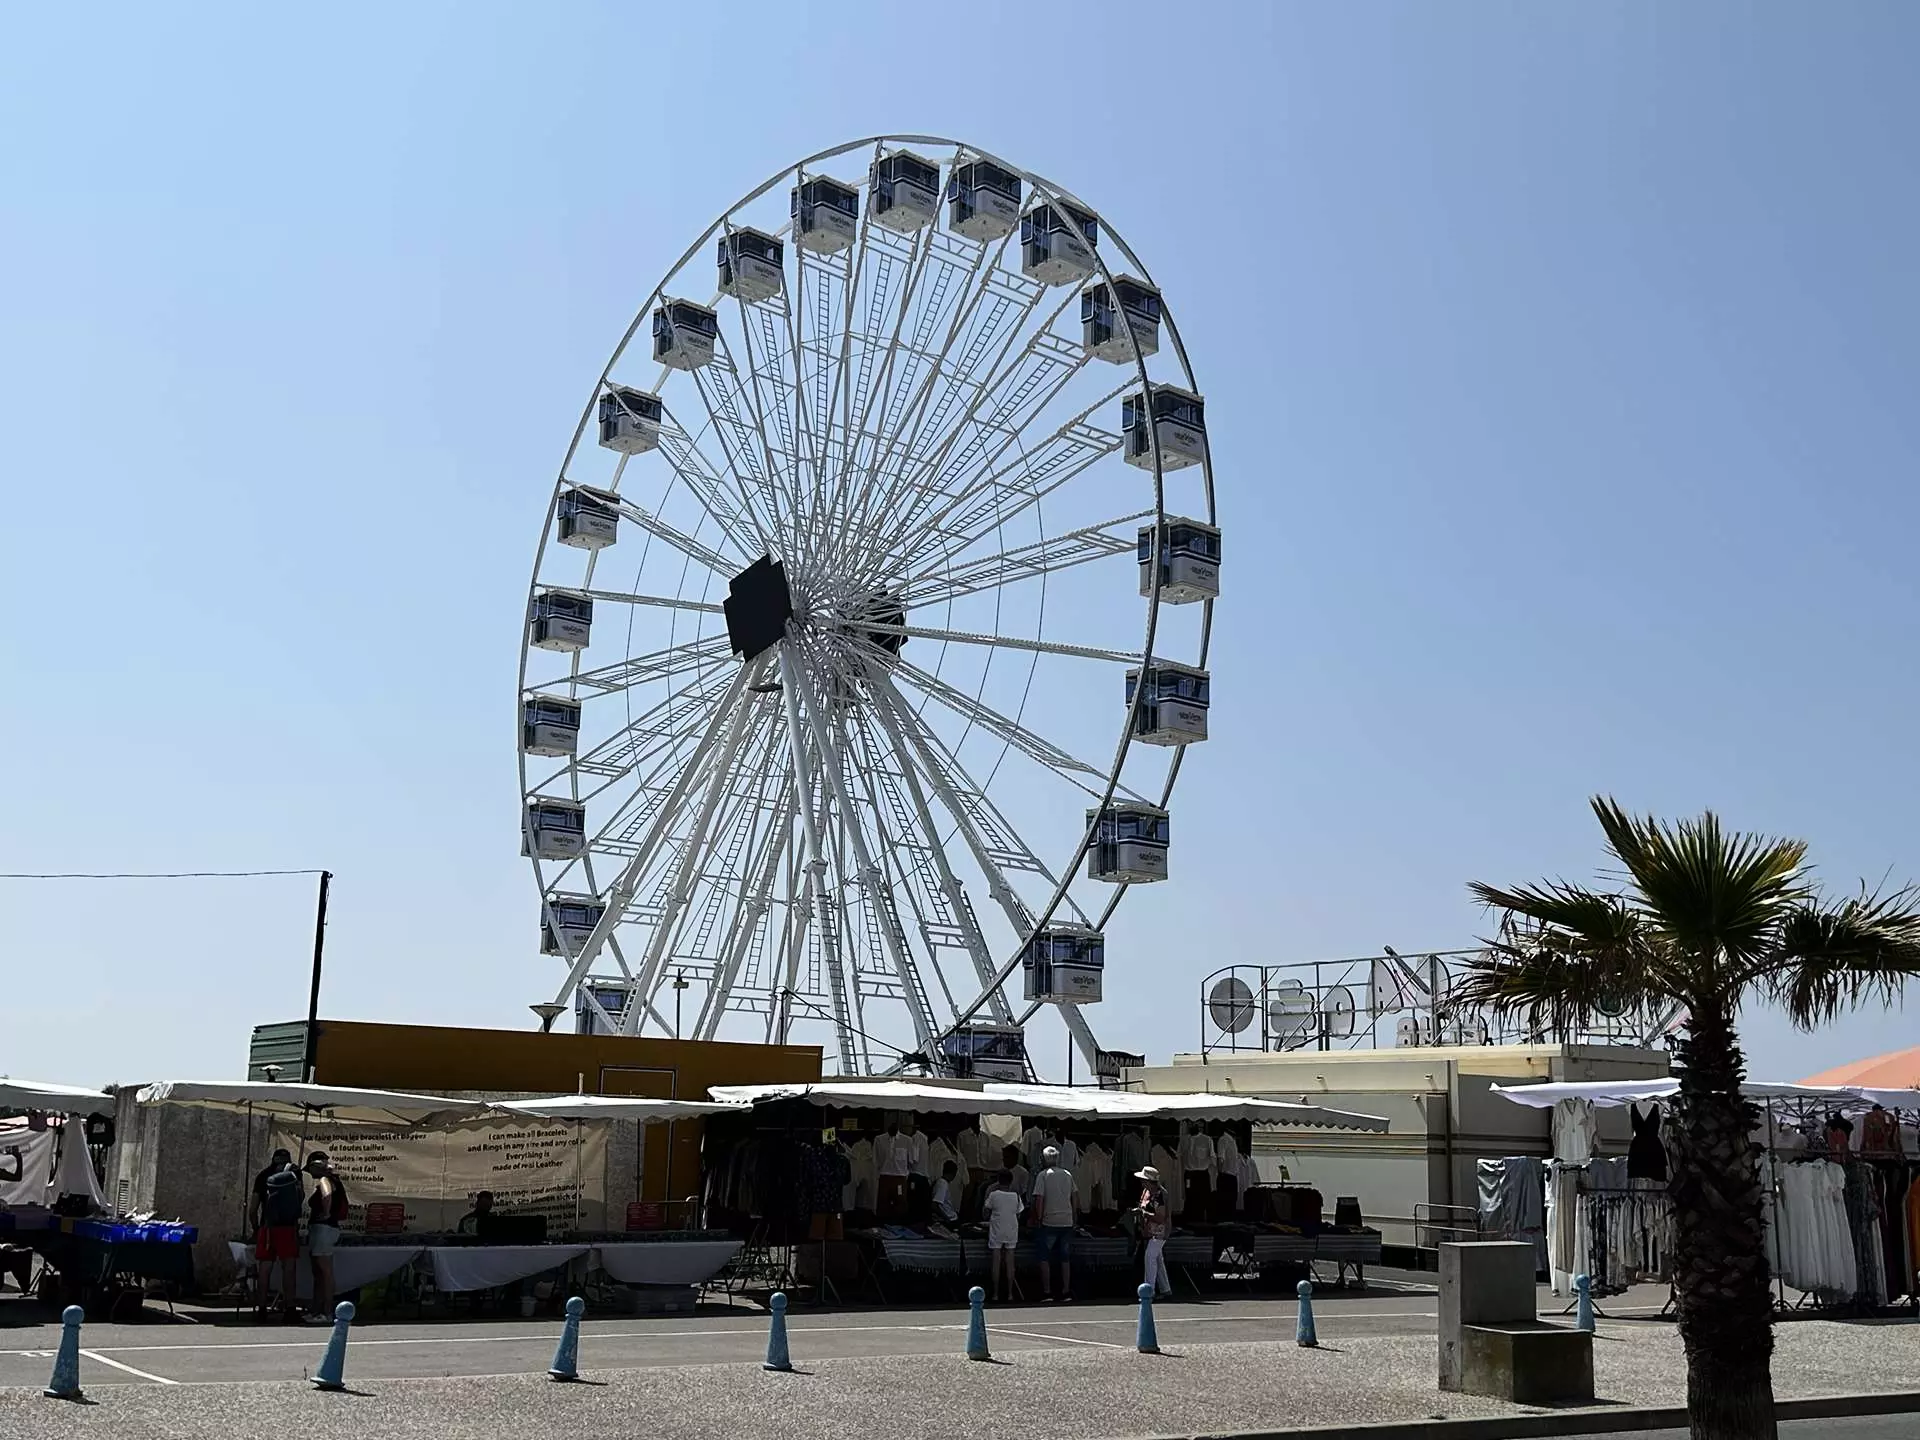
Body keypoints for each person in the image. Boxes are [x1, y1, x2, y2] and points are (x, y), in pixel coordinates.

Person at [249, 1149, 302, 1320]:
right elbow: (300, 1198)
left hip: (267, 1228)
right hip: (288, 1228)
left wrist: (256, 1228)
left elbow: (253, 1209)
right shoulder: (294, 1174)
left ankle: (261, 1309)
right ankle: (290, 1309)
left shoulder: (263, 1175)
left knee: (265, 1269)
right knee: (289, 1269)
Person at [1029, 1145, 1079, 1302]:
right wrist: (1074, 1217)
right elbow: (1075, 1197)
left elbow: (1039, 1199)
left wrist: (1038, 1218)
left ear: (1044, 1159)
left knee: (1044, 1256)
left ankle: (1047, 1292)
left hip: (1049, 1221)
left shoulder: (1043, 1175)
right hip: (1066, 1220)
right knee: (1065, 1258)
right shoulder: (1067, 1174)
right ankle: (1065, 1291)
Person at [303, 1151, 348, 1321]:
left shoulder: (324, 1180)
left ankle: (326, 1312)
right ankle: (317, 1310)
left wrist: (326, 1212)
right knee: (319, 1273)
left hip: (324, 1229)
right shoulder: (334, 1181)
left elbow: (327, 1195)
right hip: (325, 1229)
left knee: (325, 1272)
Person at [983, 1168, 1022, 1303]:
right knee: (1010, 1262)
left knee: (996, 1261)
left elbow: (986, 1211)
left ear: (998, 1181)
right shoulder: (1016, 1196)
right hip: (1011, 1229)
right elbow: (1019, 1213)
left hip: (997, 1229)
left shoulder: (993, 1195)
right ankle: (1010, 1294)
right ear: (1011, 1182)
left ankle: (995, 1294)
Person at [1134, 1164, 1173, 1299]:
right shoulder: (1146, 1192)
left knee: (1150, 1257)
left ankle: (1149, 1291)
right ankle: (1165, 1289)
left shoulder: (1160, 1195)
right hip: (1150, 1231)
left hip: (1159, 1231)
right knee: (1157, 1259)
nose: (1142, 1182)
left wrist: (1143, 1213)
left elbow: (1160, 1217)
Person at [930, 1161, 960, 1225]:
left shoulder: (939, 1181)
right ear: (954, 1174)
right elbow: (934, 1205)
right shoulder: (943, 1184)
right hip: (948, 1219)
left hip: (949, 1216)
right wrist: (946, 1218)